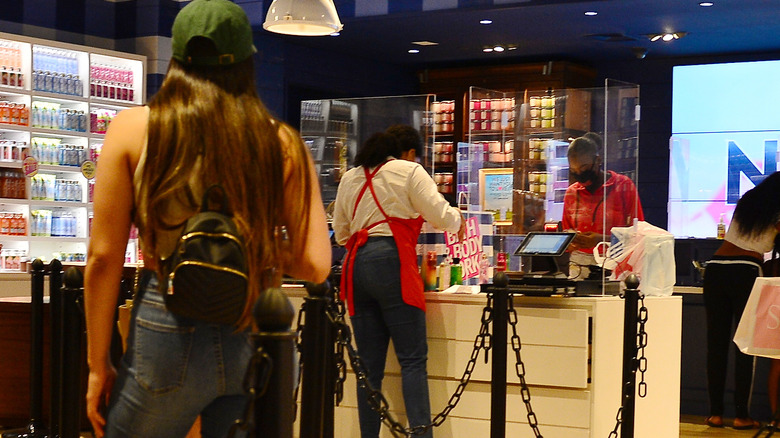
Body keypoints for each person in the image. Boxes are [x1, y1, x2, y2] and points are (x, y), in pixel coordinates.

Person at [83, 1, 331, 437]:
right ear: (247, 62)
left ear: (175, 58)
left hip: (166, 323)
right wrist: (248, 243)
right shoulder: (282, 143)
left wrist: (97, 363)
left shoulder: (132, 129)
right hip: (258, 326)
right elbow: (315, 264)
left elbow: (103, 258)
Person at [332, 127, 464, 438]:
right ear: (405, 153)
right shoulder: (409, 171)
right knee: (413, 361)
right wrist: (457, 220)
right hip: (392, 263)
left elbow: (340, 233)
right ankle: (420, 435)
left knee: (368, 369)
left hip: (355, 266)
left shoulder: (350, 177)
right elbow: (441, 216)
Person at [703, 171, 780, 430]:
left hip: (714, 266)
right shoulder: (778, 211)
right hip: (746, 268)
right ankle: (741, 415)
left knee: (716, 345)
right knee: (745, 345)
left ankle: (715, 413)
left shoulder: (747, 200)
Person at [561, 134, 644, 275]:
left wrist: (602, 239)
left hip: (616, 261)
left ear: (598, 160)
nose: (580, 174)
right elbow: (566, 232)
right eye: (574, 171)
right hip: (579, 264)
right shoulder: (571, 192)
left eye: (584, 168)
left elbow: (639, 234)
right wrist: (571, 240)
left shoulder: (623, 186)